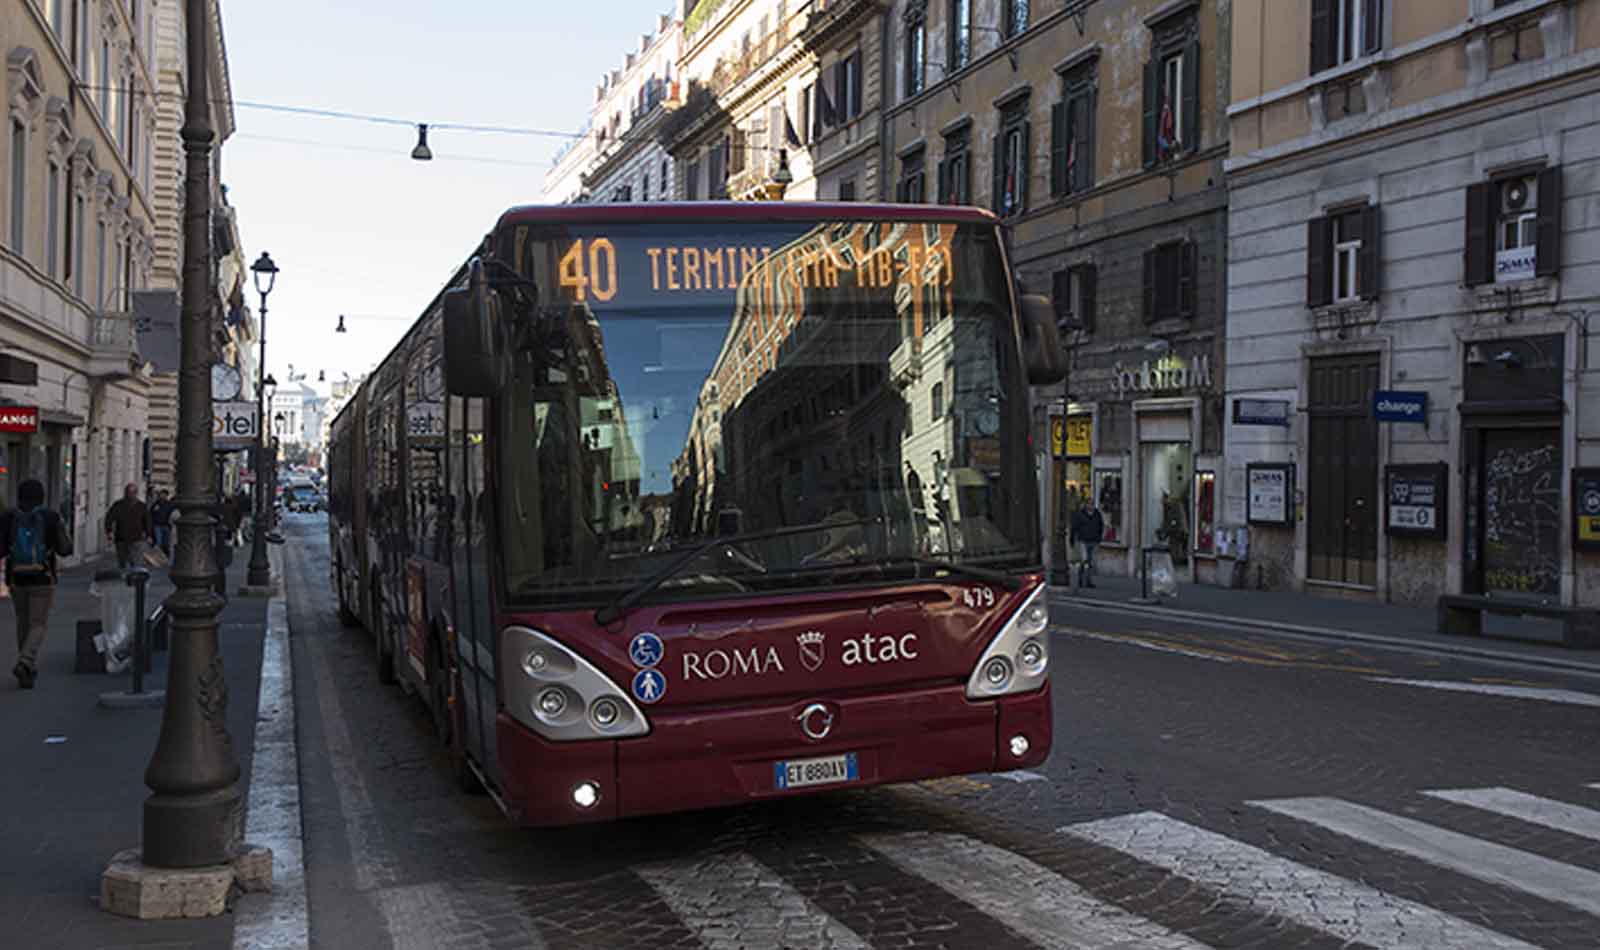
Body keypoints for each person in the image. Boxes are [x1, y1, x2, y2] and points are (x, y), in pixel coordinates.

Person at [1, 479, 74, 688]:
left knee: (22, 622)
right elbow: (65, 549)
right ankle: (25, 661)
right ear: (41, 496)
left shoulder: (8, 517)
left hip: (16, 578)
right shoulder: (50, 517)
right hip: (43, 576)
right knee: (38, 623)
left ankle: (27, 668)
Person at [105, 483, 152, 569]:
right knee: (122, 563)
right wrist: (109, 531)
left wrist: (149, 535)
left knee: (136, 562)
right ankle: (124, 578)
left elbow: (147, 521)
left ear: (136, 493)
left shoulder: (142, 506)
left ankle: (136, 580)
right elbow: (109, 518)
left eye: (132, 492)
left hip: (137, 538)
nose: (130, 495)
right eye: (128, 492)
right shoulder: (118, 505)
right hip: (121, 538)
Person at [1069, 498, 1105, 588]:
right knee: (1084, 561)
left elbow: (1101, 526)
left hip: (1094, 540)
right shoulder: (1080, 514)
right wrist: (1072, 539)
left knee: (1091, 562)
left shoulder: (1097, 514)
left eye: (1092, 504)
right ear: (1086, 505)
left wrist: (1099, 538)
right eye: (1089, 504)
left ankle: (1088, 581)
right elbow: (1074, 527)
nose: (1091, 506)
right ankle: (1081, 579)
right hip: (1083, 540)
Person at [149, 490, 175, 558]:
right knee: (159, 542)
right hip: (157, 525)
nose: (162, 496)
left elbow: (172, 514)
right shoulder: (155, 504)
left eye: (163, 494)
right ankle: (157, 556)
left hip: (166, 526)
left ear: (166, 496)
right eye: (161, 494)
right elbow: (151, 514)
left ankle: (165, 555)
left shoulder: (170, 504)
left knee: (166, 543)